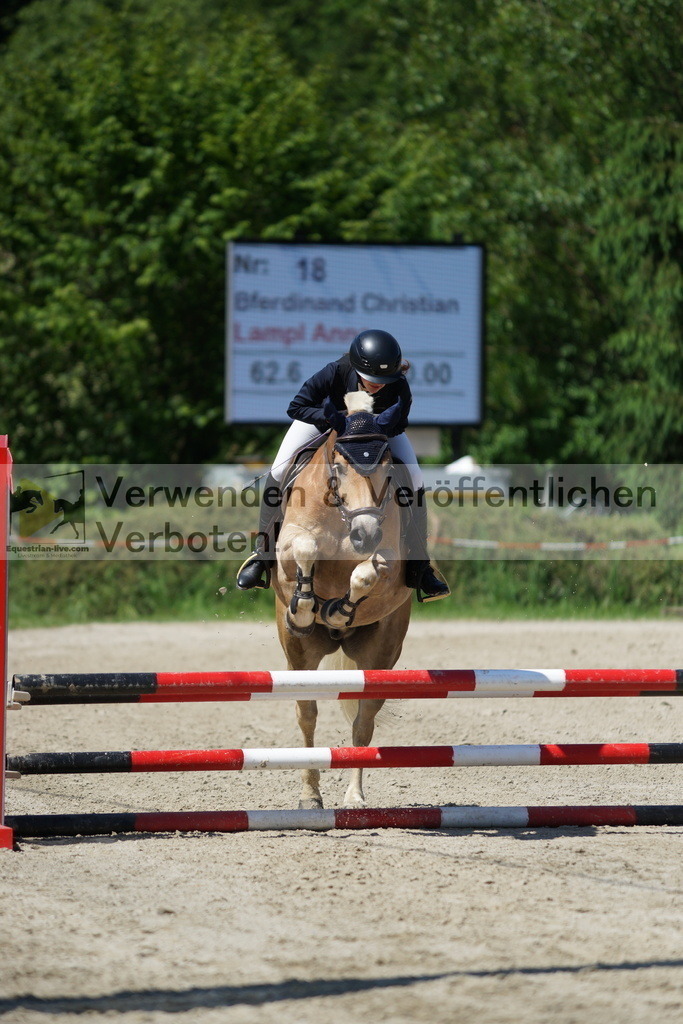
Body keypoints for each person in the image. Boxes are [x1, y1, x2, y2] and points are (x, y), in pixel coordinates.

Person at [236, 329, 450, 602]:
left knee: (416, 478)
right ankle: (262, 556)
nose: (378, 385)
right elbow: (297, 407)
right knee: (279, 470)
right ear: (357, 368)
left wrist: (369, 427)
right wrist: (338, 420)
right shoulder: (335, 372)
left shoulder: (398, 385)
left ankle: (420, 566)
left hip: (374, 435)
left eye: (384, 379)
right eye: (372, 379)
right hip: (321, 424)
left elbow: (400, 423)